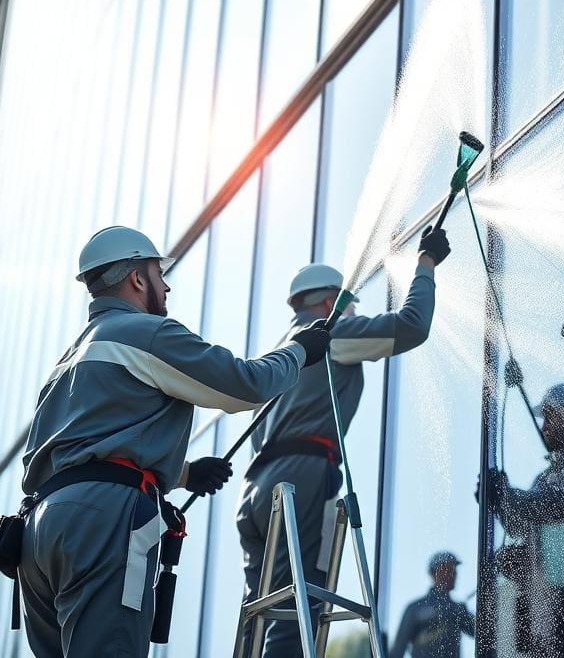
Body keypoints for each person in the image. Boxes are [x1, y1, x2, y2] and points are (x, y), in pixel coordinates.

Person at [14, 226, 327, 658]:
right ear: (137, 279)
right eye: (159, 275)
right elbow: (244, 385)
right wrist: (298, 351)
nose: (166, 286)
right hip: (102, 523)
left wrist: (181, 474)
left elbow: (79, 453)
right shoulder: (146, 332)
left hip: (36, 534)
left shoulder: (67, 360)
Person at [235, 225, 450, 658]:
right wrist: (425, 265)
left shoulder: (279, 353)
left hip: (255, 491)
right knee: (297, 609)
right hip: (300, 478)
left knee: (259, 613)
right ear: (330, 301)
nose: (353, 314)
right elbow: (411, 327)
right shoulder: (329, 333)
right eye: (348, 305)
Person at [487, 383, 564, 657]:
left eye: (550, 417)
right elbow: (520, 526)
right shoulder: (545, 478)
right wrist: (498, 501)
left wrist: (507, 494)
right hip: (546, 611)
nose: (543, 426)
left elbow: (562, 504)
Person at [390, 551, 475, 658]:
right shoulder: (416, 608)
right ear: (434, 573)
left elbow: (483, 632)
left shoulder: (458, 609)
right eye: (448, 569)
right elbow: (399, 647)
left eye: (454, 570)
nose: (454, 574)